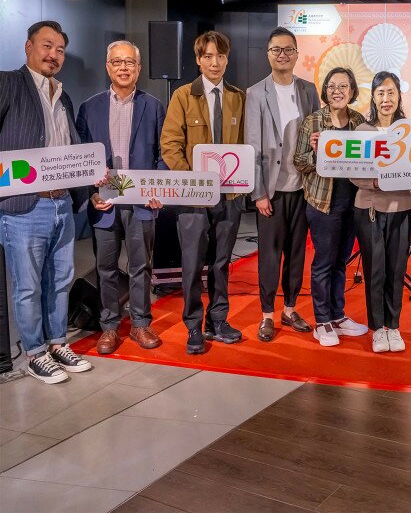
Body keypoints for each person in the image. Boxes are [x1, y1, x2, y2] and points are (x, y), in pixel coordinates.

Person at [0, 21, 92, 383]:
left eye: (60, 49)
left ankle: (57, 344)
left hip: (60, 205)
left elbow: (70, 148)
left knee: (60, 280)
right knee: (27, 286)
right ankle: (34, 353)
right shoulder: (8, 84)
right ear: (28, 47)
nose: (53, 55)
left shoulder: (63, 96)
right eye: (47, 46)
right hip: (24, 206)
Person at [76, 40, 166, 355]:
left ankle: (141, 324)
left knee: (142, 266)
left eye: (129, 62)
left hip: (141, 202)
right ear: (108, 67)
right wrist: (90, 192)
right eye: (117, 62)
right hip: (106, 202)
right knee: (106, 267)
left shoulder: (153, 106)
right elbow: (80, 158)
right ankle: (110, 327)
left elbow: (162, 155)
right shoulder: (90, 107)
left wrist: (158, 188)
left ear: (139, 68)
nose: (124, 68)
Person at [161, 30, 245, 355]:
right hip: (194, 198)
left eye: (220, 56)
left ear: (227, 59)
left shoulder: (238, 96)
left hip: (230, 197)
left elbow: (245, 146)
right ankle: (193, 326)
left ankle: (218, 321)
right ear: (198, 59)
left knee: (222, 263)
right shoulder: (183, 95)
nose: (214, 62)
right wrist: (193, 183)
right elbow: (169, 145)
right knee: (193, 262)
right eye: (208, 56)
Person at [245, 27, 320, 342]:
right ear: (268, 53)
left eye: (288, 49)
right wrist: (258, 192)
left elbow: (319, 131)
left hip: (303, 187)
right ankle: (267, 315)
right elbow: (251, 145)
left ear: (297, 53)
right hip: (271, 191)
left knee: (297, 254)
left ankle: (290, 309)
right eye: (276, 49)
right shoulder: (255, 93)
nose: (282, 55)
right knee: (270, 255)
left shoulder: (308, 89)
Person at [293, 67, 369, 346]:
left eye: (343, 86)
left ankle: (338, 315)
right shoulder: (313, 122)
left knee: (341, 261)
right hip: (323, 203)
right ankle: (321, 320)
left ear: (352, 91)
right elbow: (299, 162)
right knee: (324, 262)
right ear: (325, 90)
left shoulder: (359, 121)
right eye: (332, 86)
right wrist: (315, 153)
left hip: (353, 203)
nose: (337, 91)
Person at [351, 72, 411, 354]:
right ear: (373, 98)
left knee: (396, 269)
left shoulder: (409, 130)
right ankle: (378, 328)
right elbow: (351, 172)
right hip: (369, 209)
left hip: (401, 208)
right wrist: (374, 182)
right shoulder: (362, 131)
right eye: (380, 93)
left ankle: (394, 326)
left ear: (399, 96)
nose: (386, 99)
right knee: (374, 270)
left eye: (391, 93)